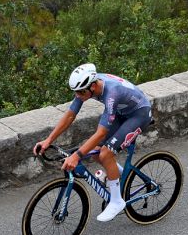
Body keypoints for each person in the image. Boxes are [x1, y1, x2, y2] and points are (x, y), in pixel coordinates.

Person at [33, 63, 152, 221]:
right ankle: (116, 176)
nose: (79, 96)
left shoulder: (111, 94)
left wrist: (76, 156)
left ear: (93, 86)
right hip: (122, 111)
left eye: (81, 92)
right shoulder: (88, 86)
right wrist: (48, 140)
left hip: (139, 115)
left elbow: (101, 132)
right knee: (96, 151)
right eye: (76, 92)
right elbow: (70, 115)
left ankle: (116, 201)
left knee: (105, 153)